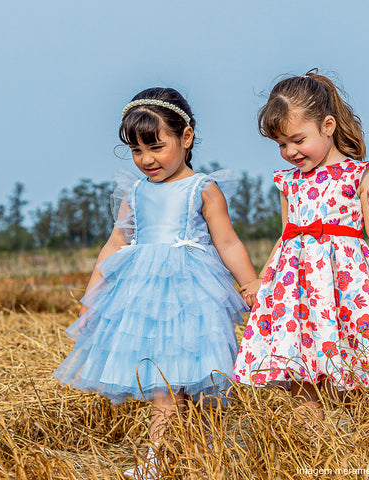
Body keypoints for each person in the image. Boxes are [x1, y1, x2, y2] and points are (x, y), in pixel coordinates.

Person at [53, 87, 258, 478]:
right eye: (136, 150)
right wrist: (92, 296)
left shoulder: (203, 188)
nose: (146, 159)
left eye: (156, 147)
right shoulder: (136, 191)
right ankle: (161, 460)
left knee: (193, 385)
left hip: (193, 296)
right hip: (145, 300)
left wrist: (250, 285)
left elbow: (227, 242)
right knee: (164, 384)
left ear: (186, 137)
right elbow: (116, 242)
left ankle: (192, 456)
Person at [233, 71, 369, 423]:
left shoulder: (360, 174)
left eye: (297, 140)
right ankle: (311, 447)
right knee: (302, 370)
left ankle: (351, 442)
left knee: (350, 371)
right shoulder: (289, 181)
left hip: (345, 288)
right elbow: (285, 235)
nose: (290, 152)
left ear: (328, 126)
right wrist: (263, 279)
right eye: (281, 144)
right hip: (299, 290)